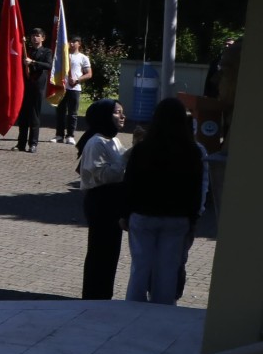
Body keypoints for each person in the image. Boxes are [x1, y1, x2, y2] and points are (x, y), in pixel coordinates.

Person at [123, 97, 204, 305]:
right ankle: (162, 311)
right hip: (177, 216)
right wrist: (193, 218)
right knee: (167, 270)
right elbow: (195, 188)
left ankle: (132, 308)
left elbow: (130, 183)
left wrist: (124, 213)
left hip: (143, 213)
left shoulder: (143, 149)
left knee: (140, 267)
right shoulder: (192, 151)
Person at [75, 98, 129, 300]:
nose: (122, 116)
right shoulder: (96, 142)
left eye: (122, 112)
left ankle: (104, 295)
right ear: (105, 116)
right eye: (117, 112)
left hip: (113, 202)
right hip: (101, 201)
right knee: (100, 250)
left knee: (110, 252)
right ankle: (93, 295)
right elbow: (104, 175)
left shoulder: (113, 140)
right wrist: (130, 155)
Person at [54, 38, 94, 144]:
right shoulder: (63, 56)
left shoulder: (83, 58)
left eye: (74, 42)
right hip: (62, 87)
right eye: (70, 41)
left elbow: (89, 74)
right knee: (60, 112)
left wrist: (77, 80)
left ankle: (70, 135)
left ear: (79, 44)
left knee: (72, 113)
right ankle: (59, 135)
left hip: (75, 89)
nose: (71, 44)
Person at [17, 28, 51, 153]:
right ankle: (21, 144)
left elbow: (48, 65)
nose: (35, 38)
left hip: (37, 87)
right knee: (23, 116)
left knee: (34, 116)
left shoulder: (46, 51)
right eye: (33, 36)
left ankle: (33, 144)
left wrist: (33, 62)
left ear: (43, 38)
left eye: (37, 36)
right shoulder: (27, 50)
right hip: (25, 86)